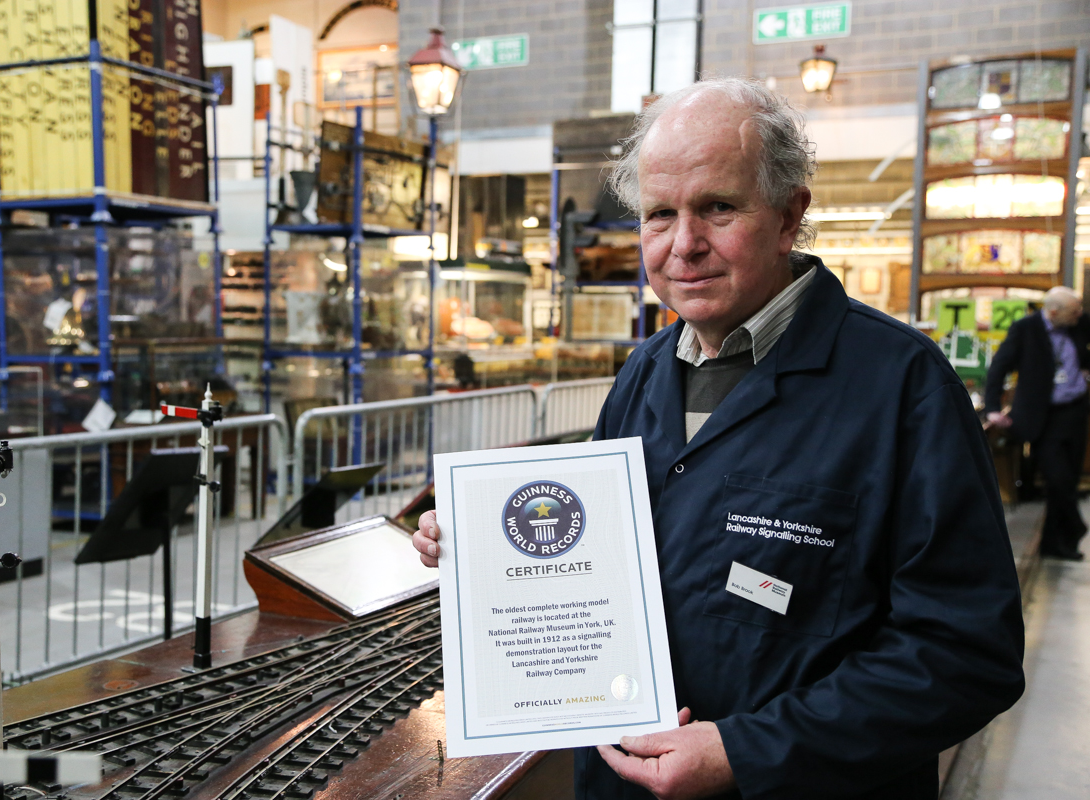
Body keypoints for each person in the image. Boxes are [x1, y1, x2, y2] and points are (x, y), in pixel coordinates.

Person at [413, 78, 1025, 799]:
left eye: (718, 208)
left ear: (789, 215)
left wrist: (746, 751)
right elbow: (596, 565)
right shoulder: (644, 373)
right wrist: (487, 547)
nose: (685, 245)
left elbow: (965, 654)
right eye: (660, 214)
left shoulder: (902, 386)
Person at [984, 287, 1090, 560]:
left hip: (1074, 412)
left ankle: (1056, 545)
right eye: (1073, 311)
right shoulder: (1025, 329)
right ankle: (1075, 527)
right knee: (1057, 479)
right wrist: (992, 408)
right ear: (1053, 312)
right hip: (1043, 417)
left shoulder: (1078, 325)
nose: (1079, 315)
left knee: (1068, 480)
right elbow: (999, 367)